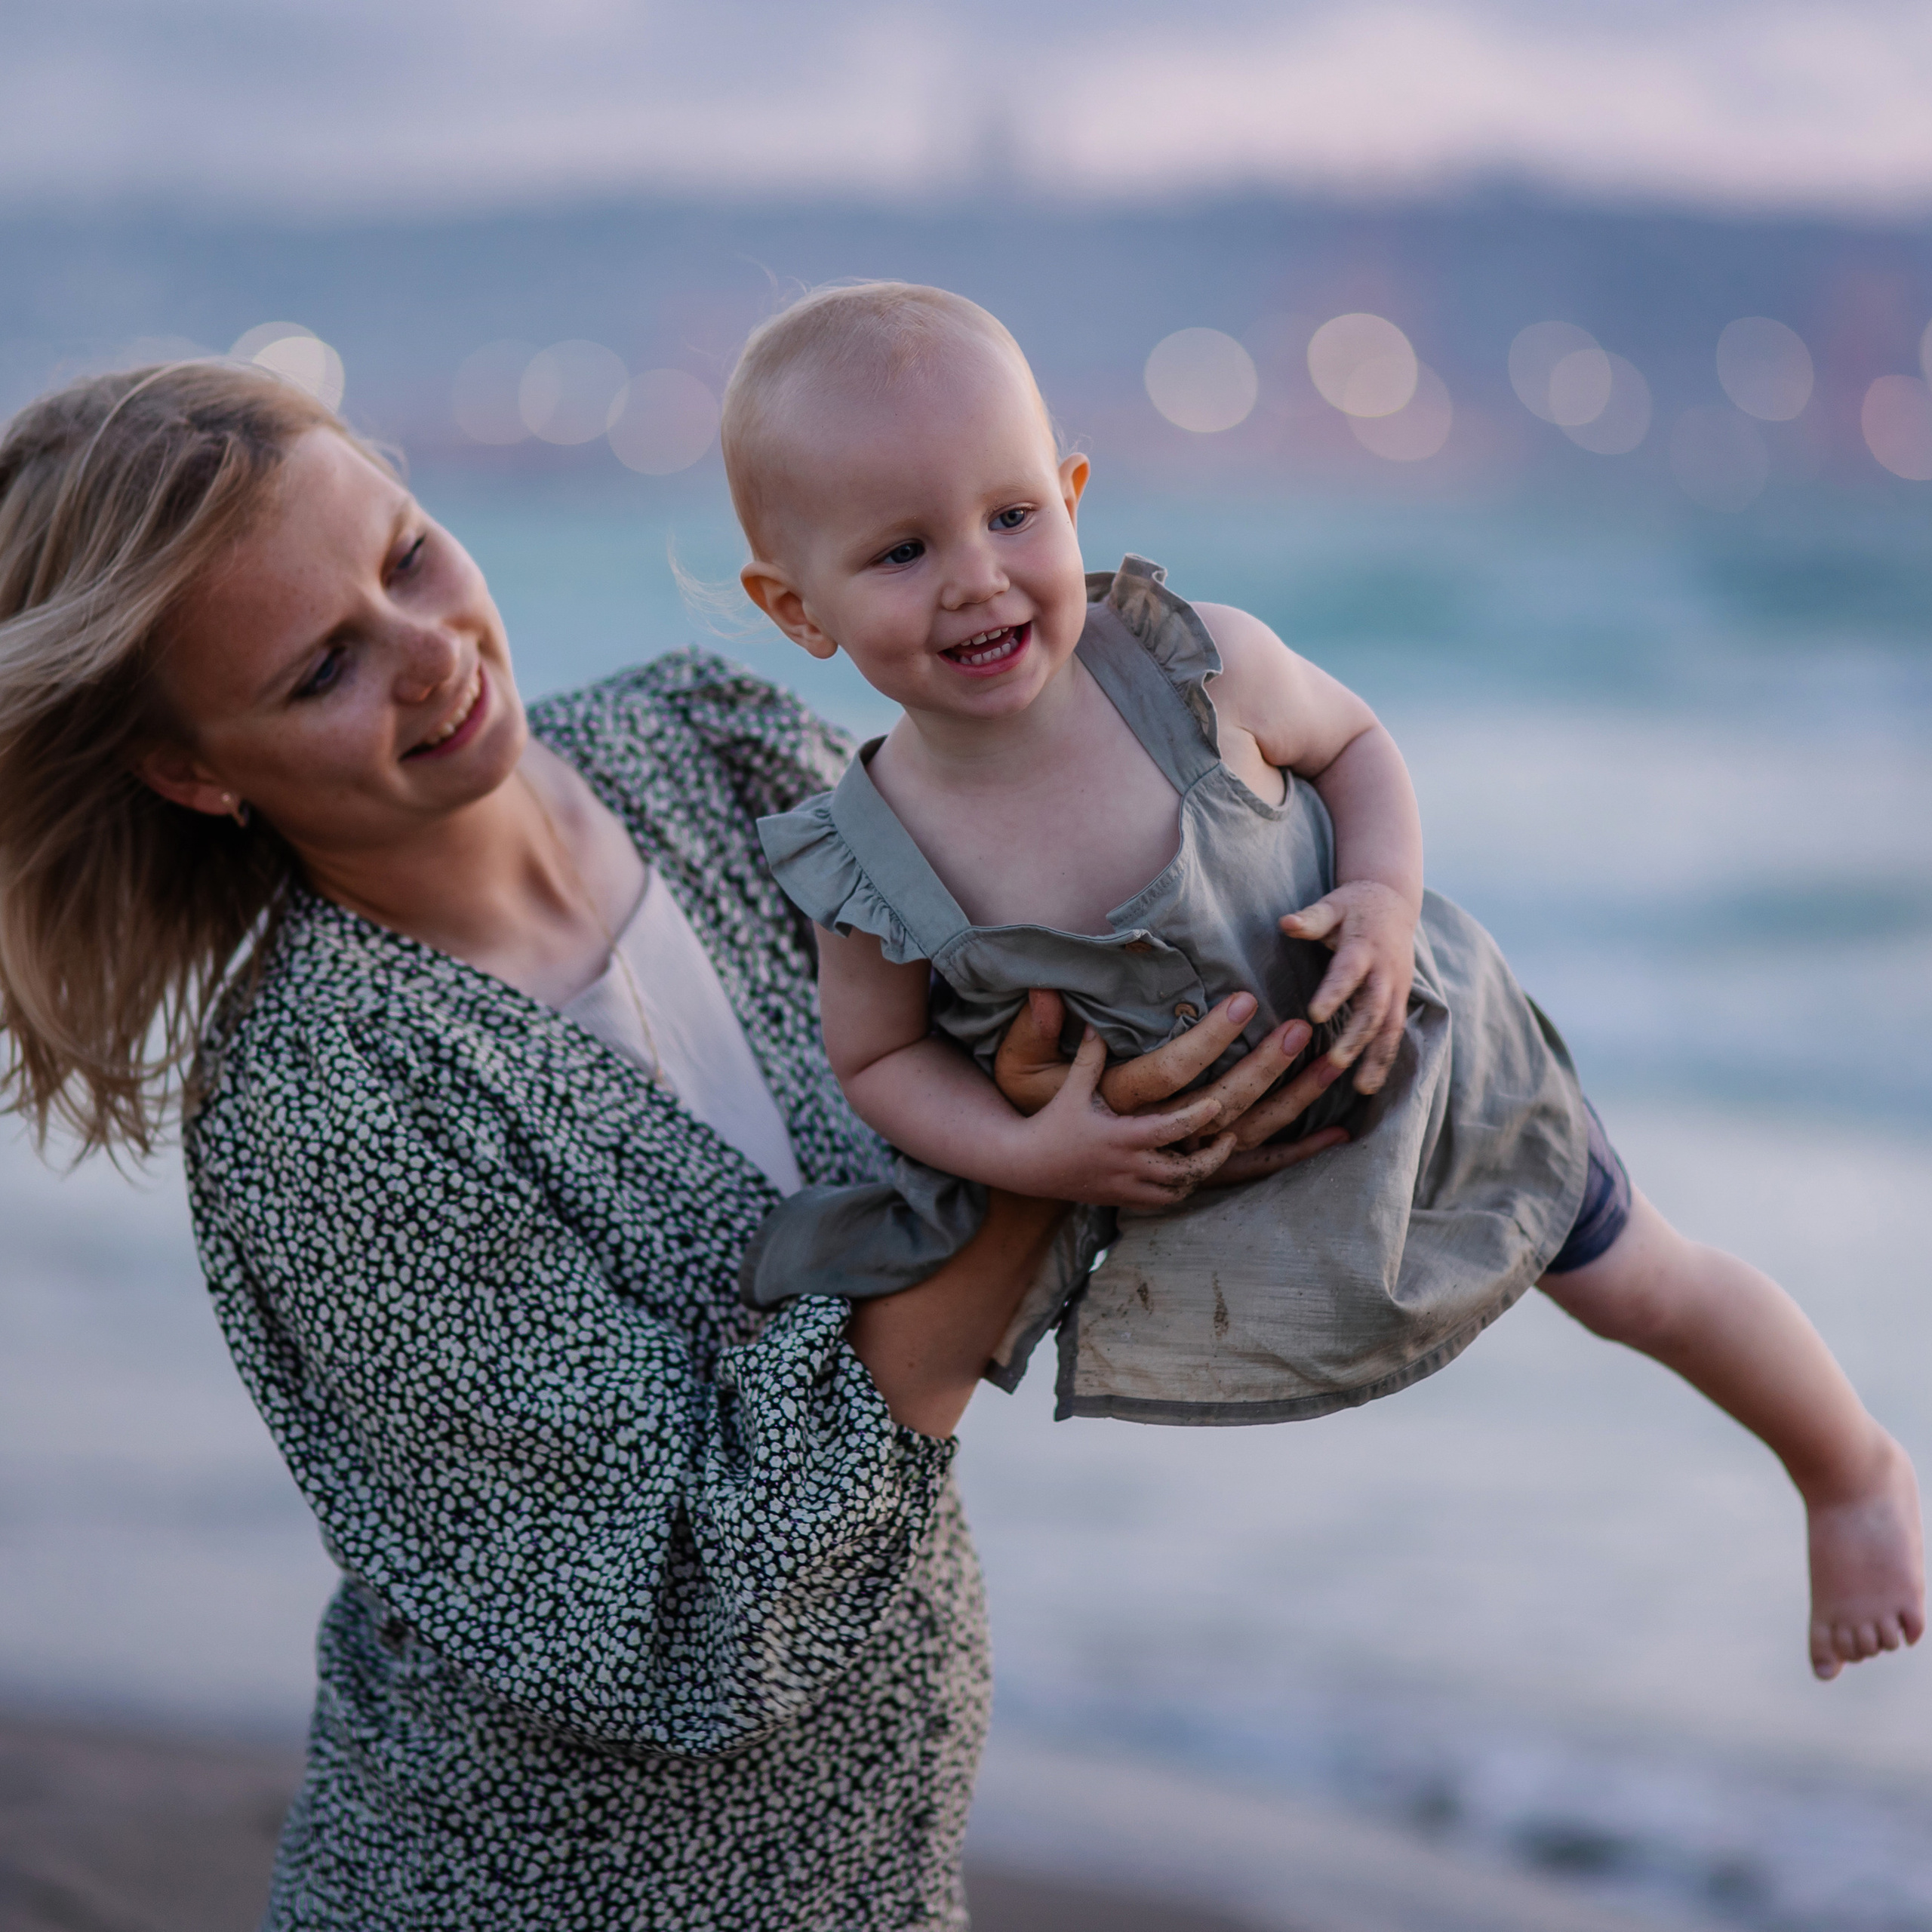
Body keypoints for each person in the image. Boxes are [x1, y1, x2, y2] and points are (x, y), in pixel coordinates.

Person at [0, 361, 1347, 1928]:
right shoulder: (327, 1096)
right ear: (193, 769)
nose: (433, 656)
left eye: (410, 555)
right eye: (322, 671)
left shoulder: (702, 745)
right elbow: (679, 1609)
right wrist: (1018, 1194)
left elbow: (1023, 1000)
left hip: (877, 1868)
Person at [723, 281, 1923, 1682]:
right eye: (902, 549)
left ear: (1072, 492)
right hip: (1215, 1172)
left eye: (1011, 517)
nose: (978, 577)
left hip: (1422, 1056)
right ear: (795, 607)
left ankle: (1850, 1471)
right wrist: (1030, 1152)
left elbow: (1356, 746)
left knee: (1637, 1280)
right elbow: (879, 1066)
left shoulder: (1194, 668)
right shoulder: (871, 861)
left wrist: (1385, 897)